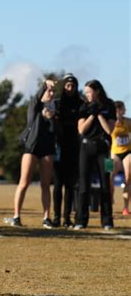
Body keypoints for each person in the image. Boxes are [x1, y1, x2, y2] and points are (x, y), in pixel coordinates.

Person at [4, 79, 56, 228]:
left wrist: (53, 118)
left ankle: (47, 217)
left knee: (46, 185)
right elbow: (36, 98)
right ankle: (16, 216)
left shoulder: (54, 110)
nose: (51, 94)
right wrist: (45, 84)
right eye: (49, 91)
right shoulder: (35, 106)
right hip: (31, 148)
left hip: (47, 149)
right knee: (24, 182)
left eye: (53, 92)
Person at [74, 80, 116, 230]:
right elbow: (81, 130)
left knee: (105, 185)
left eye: (89, 92)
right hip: (86, 148)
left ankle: (107, 221)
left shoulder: (109, 105)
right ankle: (80, 220)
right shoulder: (84, 107)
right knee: (84, 185)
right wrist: (91, 115)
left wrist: (99, 115)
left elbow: (109, 130)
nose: (86, 95)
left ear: (97, 91)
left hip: (104, 150)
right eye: (85, 92)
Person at [52, 73, 84, 227]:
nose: (70, 88)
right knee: (58, 185)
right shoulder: (57, 104)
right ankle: (56, 216)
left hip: (74, 148)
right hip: (59, 148)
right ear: (64, 86)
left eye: (73, 86)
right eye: (67, 85)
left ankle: (66, 217)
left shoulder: (81, 104)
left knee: (70, 185)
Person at [110, 101, 131, 216]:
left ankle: (126, 207)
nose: (119, 111)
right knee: (108, 177)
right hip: (113, 153)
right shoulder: (110, 122)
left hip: (128, 152)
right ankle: (109, 198)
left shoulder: (127, 122)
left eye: (120, 108)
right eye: (117, 109)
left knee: (129, 177)